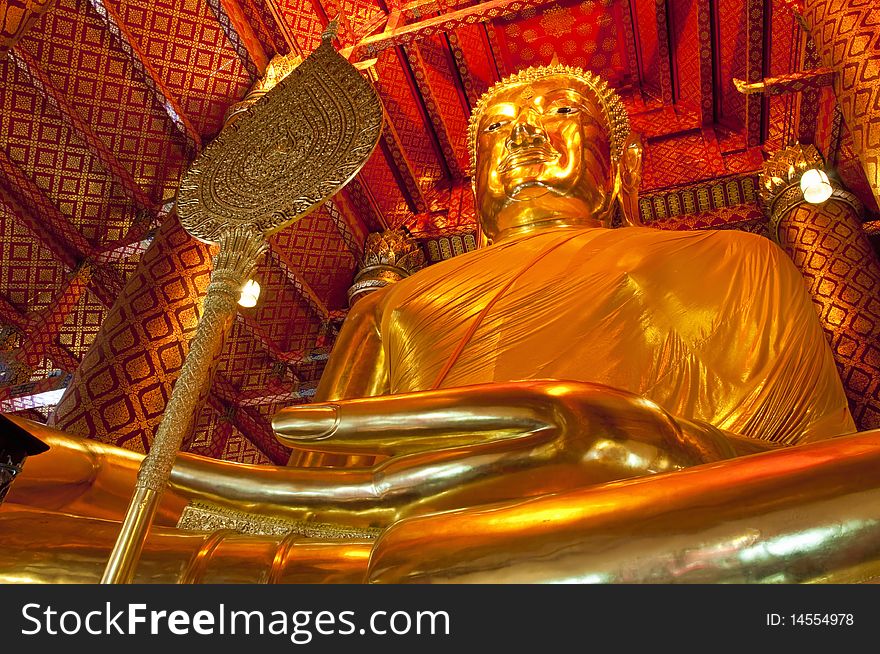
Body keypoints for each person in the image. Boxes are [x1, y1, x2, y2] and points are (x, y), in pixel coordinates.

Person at [0, 66, 859, 583]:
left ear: (624, 166)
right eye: (499, 131)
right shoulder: (395, 308)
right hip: (395, 572)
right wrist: (169, 505)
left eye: (561, 117)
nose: (525, 138)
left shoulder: (730, 263)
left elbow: (810, 482)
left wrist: (660, 456)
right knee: (59, 496)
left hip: (642, 557)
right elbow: (313, 507)